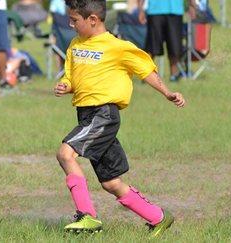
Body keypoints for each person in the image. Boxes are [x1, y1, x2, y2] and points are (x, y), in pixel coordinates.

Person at [53, 0, 186, 238]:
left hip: (103, 114)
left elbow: (146, 70)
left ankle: (87, 216)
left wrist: (167, 93)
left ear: (92, 19)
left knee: (65, 154)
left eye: (74, 20)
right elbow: (72, 76)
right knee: (111, 182)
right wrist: (66, 85)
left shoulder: (118, 46)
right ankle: (159, 217)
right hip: (86, 115)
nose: (70, 24)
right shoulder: (75, 45)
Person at [138, 0, 196, 81]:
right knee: (152, 46)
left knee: (175, 45)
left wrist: (192, 6)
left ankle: (174, 75)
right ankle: (147, 75)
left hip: (175, 10)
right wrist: (140, 10)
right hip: (155, 10)